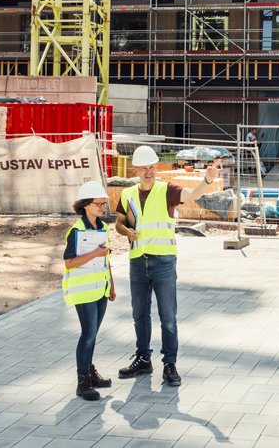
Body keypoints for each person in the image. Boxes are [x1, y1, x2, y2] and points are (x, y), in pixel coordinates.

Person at [114, 144, 221, 387]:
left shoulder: (167, 190)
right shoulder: (127, 194)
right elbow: (120, 222)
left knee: (168, 316)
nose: (148, 171)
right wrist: (126, 232)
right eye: (143, 168)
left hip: (163, 260)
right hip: (138, 261)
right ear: (136, 169)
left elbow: (193, 194)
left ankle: (169, 364)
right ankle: (143, 358)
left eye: (151, 167)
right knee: (139, 314)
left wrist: (207, 179)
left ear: (156, 167)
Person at [62, 180, 116, 401]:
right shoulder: (76, 231)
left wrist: (111, 284)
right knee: (88, 334)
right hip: (84, 292)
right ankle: (82, 381)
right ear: (85, 205)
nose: (102, 207)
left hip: (100, 289)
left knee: (92, 335)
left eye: (104, 203)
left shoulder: (102, 227)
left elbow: (106, 259)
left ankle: (89, 373)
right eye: (98, 204)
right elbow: (69, 263)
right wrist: (94, 254)